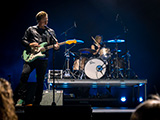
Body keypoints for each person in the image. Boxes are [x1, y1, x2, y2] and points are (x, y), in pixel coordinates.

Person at [14, 11, 60, 106]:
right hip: (30, 57)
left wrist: (56, 47)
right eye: (44, 19)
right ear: (39, 20)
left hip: (43, 59)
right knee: (24, 75)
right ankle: (21, 98)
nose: (46, 21)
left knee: (40, 80)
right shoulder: (31, 29)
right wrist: (30, 44)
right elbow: (23, 40)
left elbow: (55, 44)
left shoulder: (50, 32)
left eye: (47, 19)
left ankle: (37, 102)